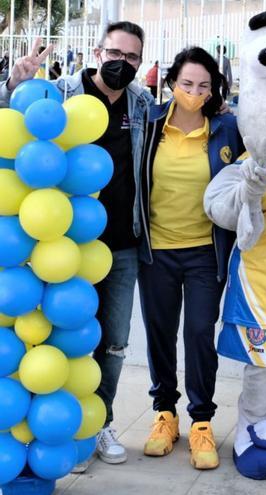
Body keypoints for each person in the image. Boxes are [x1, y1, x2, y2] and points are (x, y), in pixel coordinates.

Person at [0, 23, 154, 472]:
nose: (121, 62)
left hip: (120, 243)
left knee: (114, 342)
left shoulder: (141, 105)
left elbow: (190, 115)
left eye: (131, 57)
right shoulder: (58, 93)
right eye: (114, 52)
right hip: (61, 247)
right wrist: (13, 83)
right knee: (62, 339)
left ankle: (97, 422)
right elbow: (14, 123)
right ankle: (56, 428)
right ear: (96, 50)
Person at [138, 46, 244, 471]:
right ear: (170, 84)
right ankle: (165, 414)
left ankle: (202, 421)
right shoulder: (148, 125)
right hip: (156, 251)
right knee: (160, 334)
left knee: (200, 333)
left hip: (205, 252)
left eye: (203, 85)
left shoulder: (226, 129)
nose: (194, 92)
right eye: (186, 84)